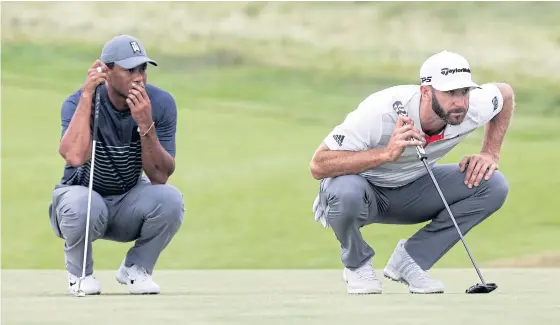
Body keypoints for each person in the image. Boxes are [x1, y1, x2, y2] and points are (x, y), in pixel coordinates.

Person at [309, 50, 514, 294]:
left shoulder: (472, 108)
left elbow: (505, 93)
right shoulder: (380, 110)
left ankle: (410, 261)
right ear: (426, 92)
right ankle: (357, 265)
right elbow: (319, 164)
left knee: (492, 185)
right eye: (450, 93)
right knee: (343, 191)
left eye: (464, 92)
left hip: (414, 190)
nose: (460, 102)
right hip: (364, 193)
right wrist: (386, 154)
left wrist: (489, 152)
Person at [49, 34, 185, 295]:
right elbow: (75, 157)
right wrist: (88, 95)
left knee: (170, 199)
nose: (139, 77)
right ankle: (80, 274)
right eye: (129, 69)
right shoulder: (76, 102)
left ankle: (136, 269)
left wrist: (146, 125)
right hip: (80, 202)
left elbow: (160, 176)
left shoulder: (161, 104)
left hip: (127, 204)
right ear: (106, 71)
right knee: (84, 204)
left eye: (142, 69)